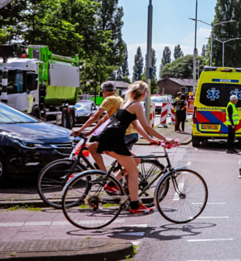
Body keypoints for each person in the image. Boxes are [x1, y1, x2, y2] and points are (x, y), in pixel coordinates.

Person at [84, 81, 175, 215]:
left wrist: (149, 139)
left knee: (136, 160)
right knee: (134, 172)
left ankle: (112, 184)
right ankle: (135, 205)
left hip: (109, 138)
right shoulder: (136, 105)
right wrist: (166, 139)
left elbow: (135, 124)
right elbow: (147, 126)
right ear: (144, 94)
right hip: (114, 141)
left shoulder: (126, 103)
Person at [74, 82, 136, 172]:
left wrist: (80, 129)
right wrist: (91, 132)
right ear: (115, 90)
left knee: (92, 147)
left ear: (103, 91)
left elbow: (95, 116)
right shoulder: (118, 99)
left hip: (124, 133)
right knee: (123, 163)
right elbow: (104, 119)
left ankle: (103, 174)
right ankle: (119, 179)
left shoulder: (109, 99)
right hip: (131, 133)